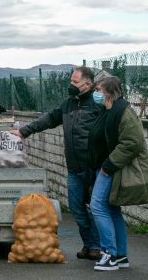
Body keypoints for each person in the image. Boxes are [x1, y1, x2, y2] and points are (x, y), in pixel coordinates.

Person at [10, 66, 101, 260]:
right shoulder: (69, 104)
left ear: (88, 84)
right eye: (71, 81)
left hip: (94, 167)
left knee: (94, 208)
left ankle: (97, 246)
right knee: (77, 208)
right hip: (74, 168)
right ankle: (88, 244)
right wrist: (25, 131)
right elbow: (50, 119)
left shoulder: (97, 105)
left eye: (75, 82)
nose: (71, 85)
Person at [87, 76, 146, 271]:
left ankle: (109, 254)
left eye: (98, 89)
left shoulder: (124, 111)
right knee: (112, 210)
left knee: (97, 206)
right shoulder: (108, 110)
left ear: (110, 93)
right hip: (106, 166)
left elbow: (132, 143)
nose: (96, 93)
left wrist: (107, 166)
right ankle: (120, 255)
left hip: (110, 168)